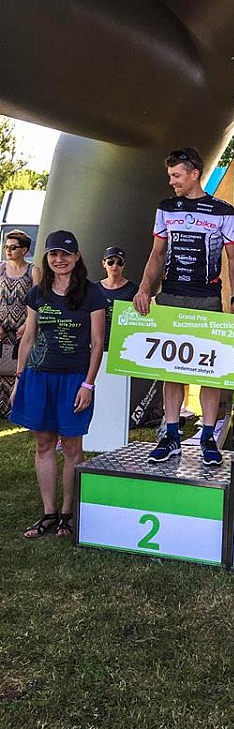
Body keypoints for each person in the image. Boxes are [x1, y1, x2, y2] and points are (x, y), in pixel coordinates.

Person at [133, 147, 234, 467]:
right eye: (170, 176)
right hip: (170, 295)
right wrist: (144, 288)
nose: (172, 182)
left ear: (195, 174)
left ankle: (208, 436)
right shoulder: (166, 207)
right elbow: (157, 254)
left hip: (206, 298)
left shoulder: (223, 211)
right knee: (171, 368)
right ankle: (170, 435)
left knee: (210, 370)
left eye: (176, 176)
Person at [11, 230, 106, 538]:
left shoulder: (92, 293)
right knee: (43, 444)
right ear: (47, 257)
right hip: (39, 376)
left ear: (76, 257)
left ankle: (68, 513)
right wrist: (19, 379)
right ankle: (49, 513)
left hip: (74, 379)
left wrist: (88, 385)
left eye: (65, 254)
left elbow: (97, 342)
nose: (59, 259)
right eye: (54, 254)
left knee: (73, 447)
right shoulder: (38, 293)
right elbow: (28, 337)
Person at [0, 229, 40, 416]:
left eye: (13, 247)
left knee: (20, 368)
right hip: (2, 329)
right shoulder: (1, 268)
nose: (8, 250)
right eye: (6, 247)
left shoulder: (33, 271)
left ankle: (16, 407)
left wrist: (28, 325)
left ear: (24, 250)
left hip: (24, 329)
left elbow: (38, 299)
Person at [96, 246, 139, 349]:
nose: (115, 266)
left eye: (119, 263)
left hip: (124, 344)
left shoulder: (133, 289)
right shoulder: (94, 288)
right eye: (110, 262)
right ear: (104, 263)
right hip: (98, 344)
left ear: (124, 265)